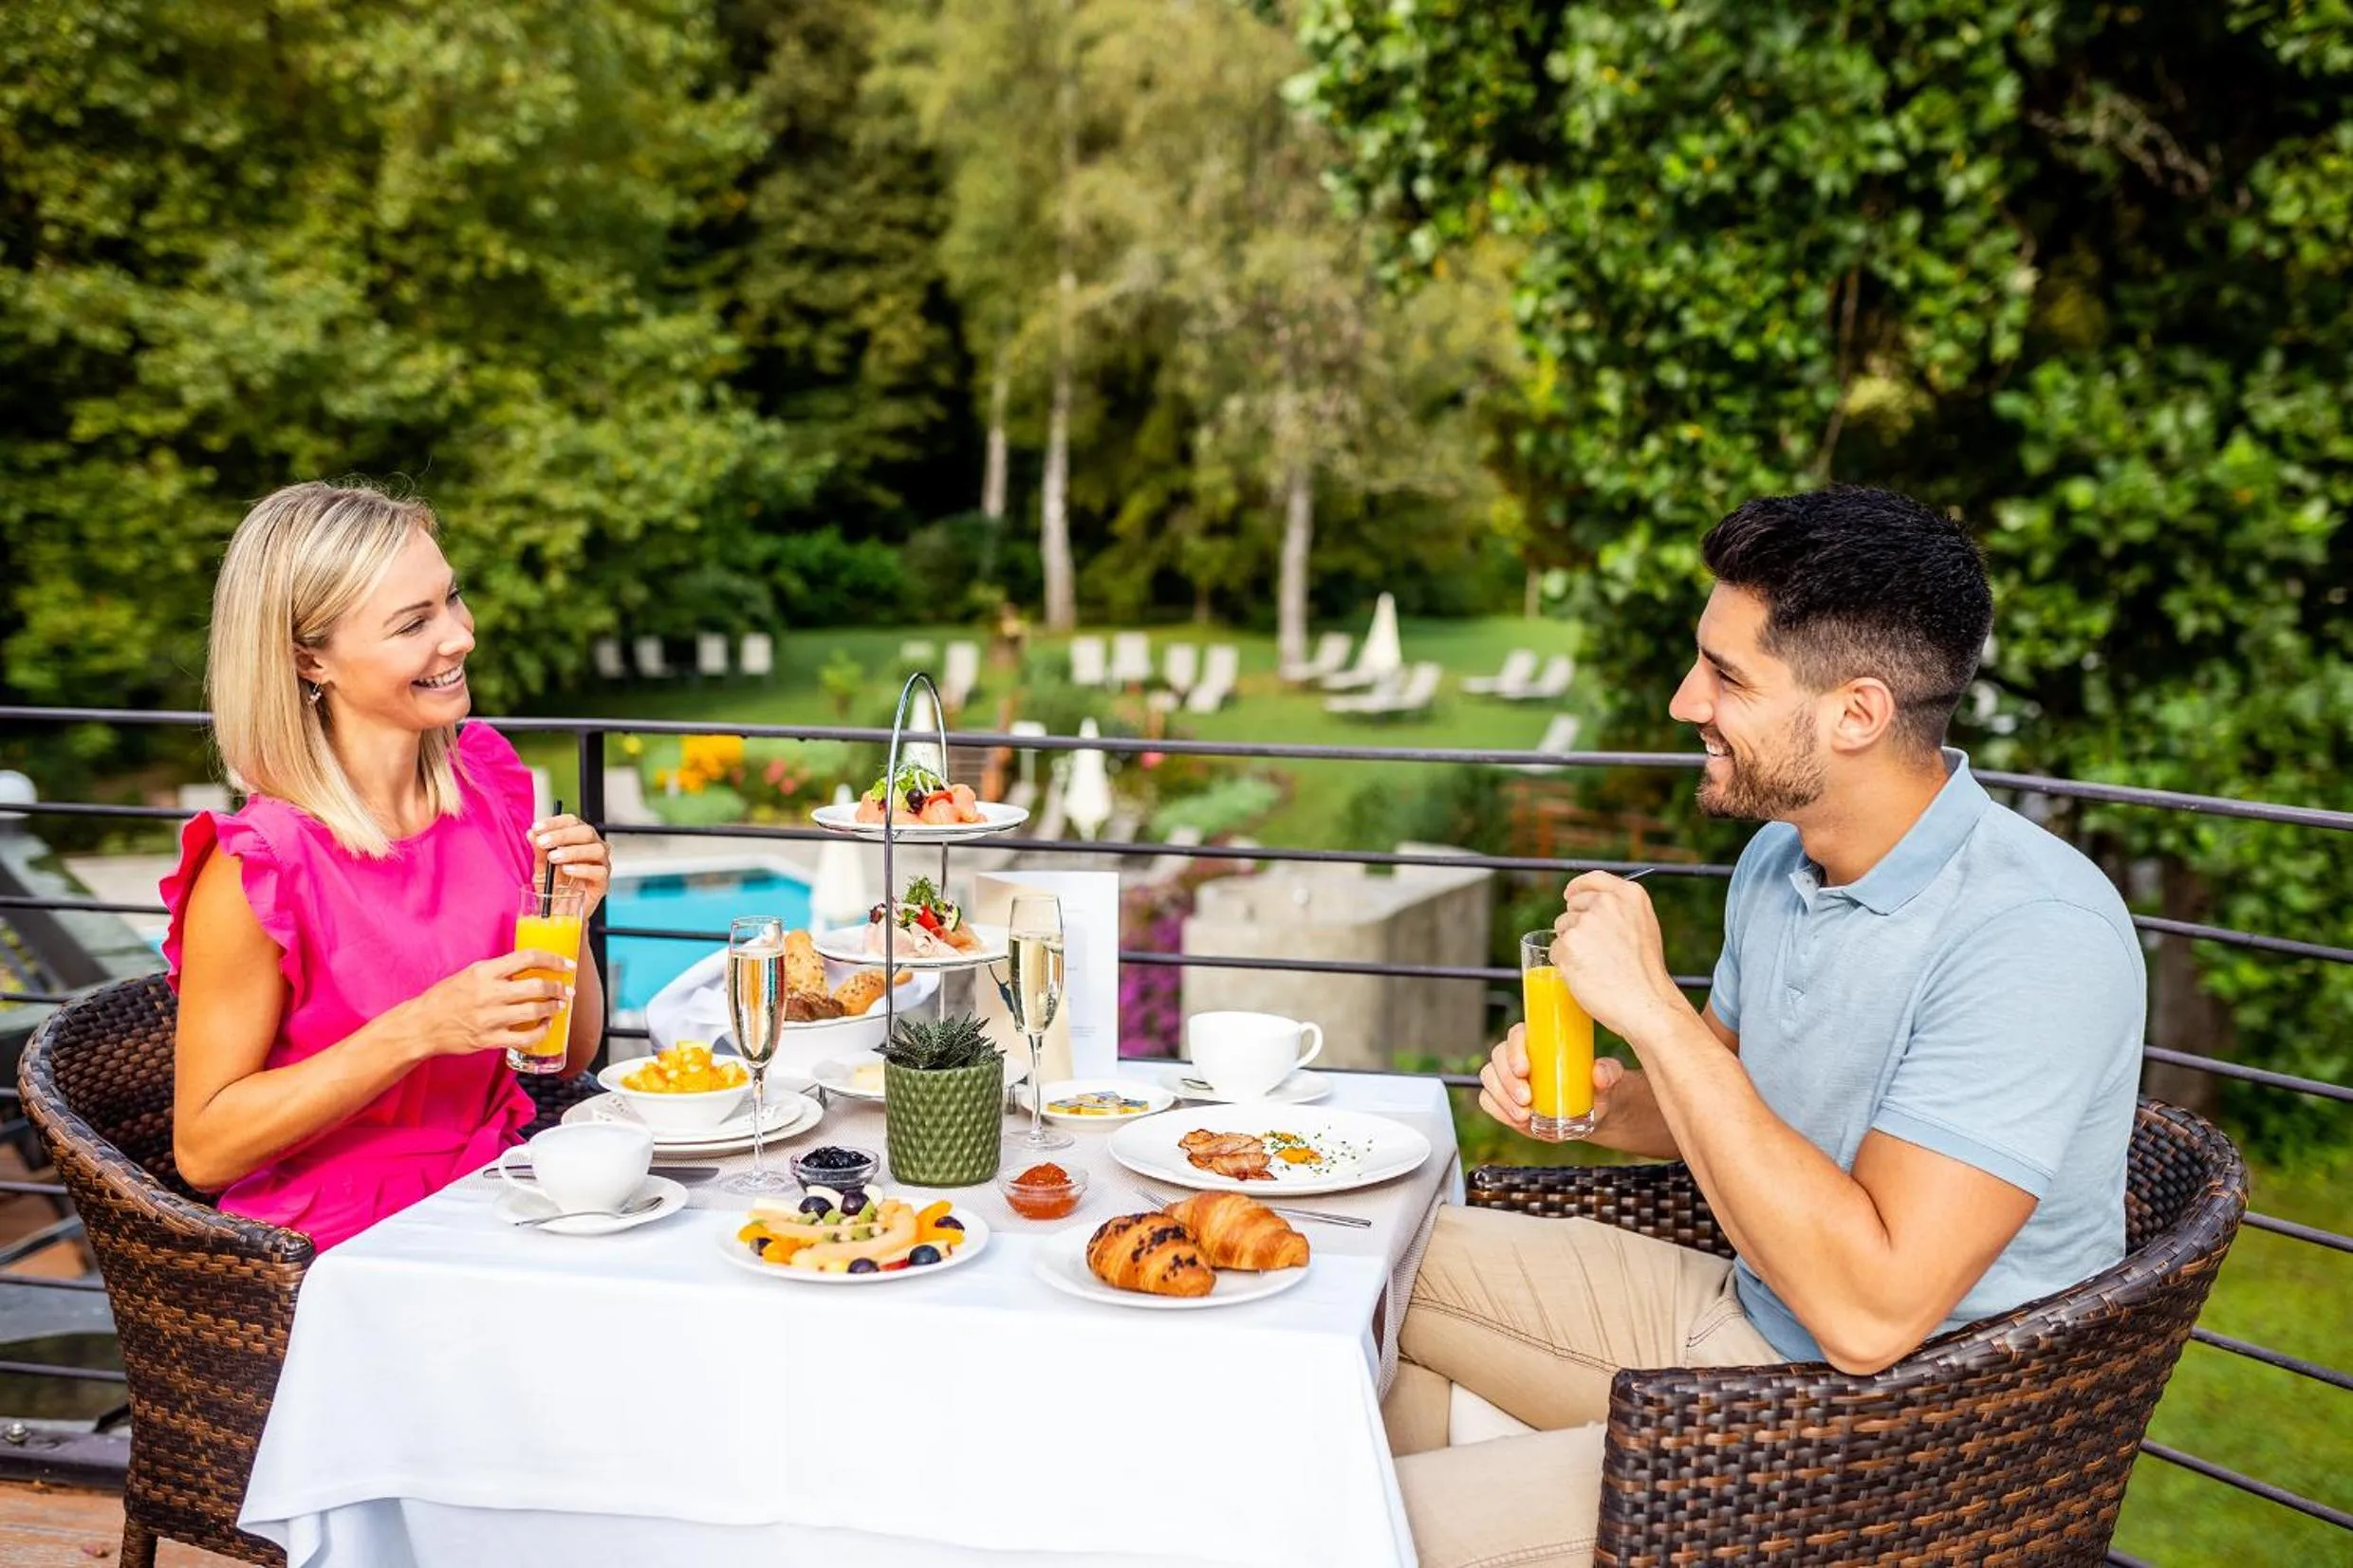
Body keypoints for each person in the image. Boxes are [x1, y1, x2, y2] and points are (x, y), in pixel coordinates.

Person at [1388, 487, 2145, 1568]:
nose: (1680, 700)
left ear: (1855, 712)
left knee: (1351, 1521)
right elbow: (1731, 1100)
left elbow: (1871, 1315)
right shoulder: (1780, 859)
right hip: (1741, 1315)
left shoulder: (2032, 937)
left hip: (1876, 1438)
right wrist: (1610, 1100)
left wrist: (1650, 1007)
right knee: (1359, 1268)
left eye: (1725, 675)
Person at [163, 480, 613, 1249]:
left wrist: (571, 912)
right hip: (341, 1247)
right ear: (310, 659)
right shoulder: (259, 867)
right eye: (414, 623)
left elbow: (566, 1054)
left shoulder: (486, 781)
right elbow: (204, 1149)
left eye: (452, 598)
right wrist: (418, 1030)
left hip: (506, 1194)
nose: (460, 635)